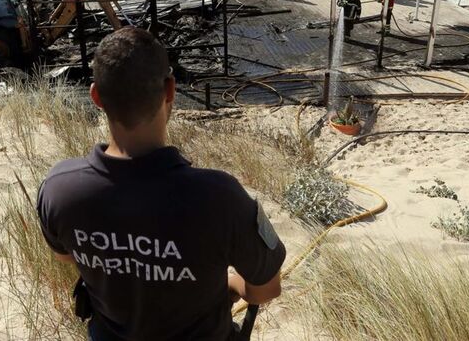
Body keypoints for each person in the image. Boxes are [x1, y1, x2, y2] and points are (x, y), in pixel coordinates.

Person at [36, 27, 285, 341]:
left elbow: (67, 256)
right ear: (170, 91)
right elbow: (265, 289)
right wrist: (232, 284)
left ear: (96, 96)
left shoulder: (59, 189)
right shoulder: (220, 197)